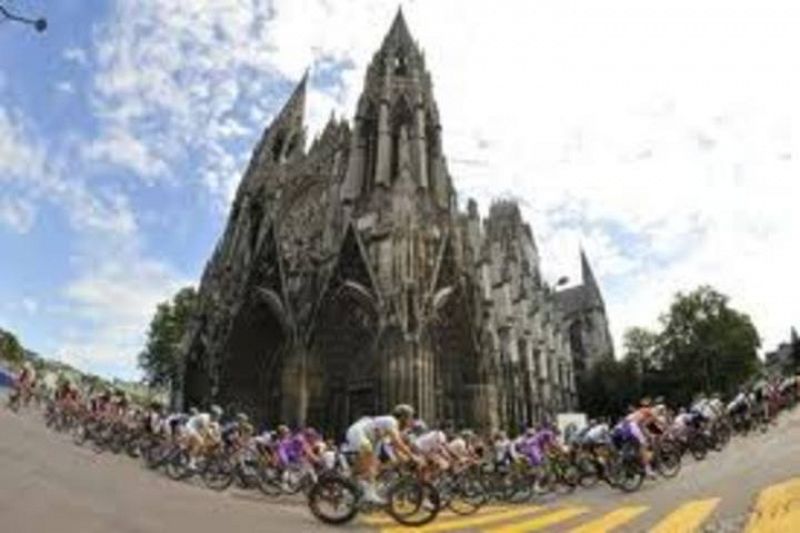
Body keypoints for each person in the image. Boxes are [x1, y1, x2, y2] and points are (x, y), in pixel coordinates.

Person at [344, 404, 421, 504]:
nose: (410, 421)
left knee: (373, 467)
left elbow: (394, 448)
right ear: (402, 417)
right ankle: (366, 493)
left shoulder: (390, 428)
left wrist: (404, 458)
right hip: (358, 432)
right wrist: (412, 456)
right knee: (368, 454)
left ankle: (350, 486)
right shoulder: (391, 421)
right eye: (409, 418)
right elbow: (397, 442)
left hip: (370, 439)